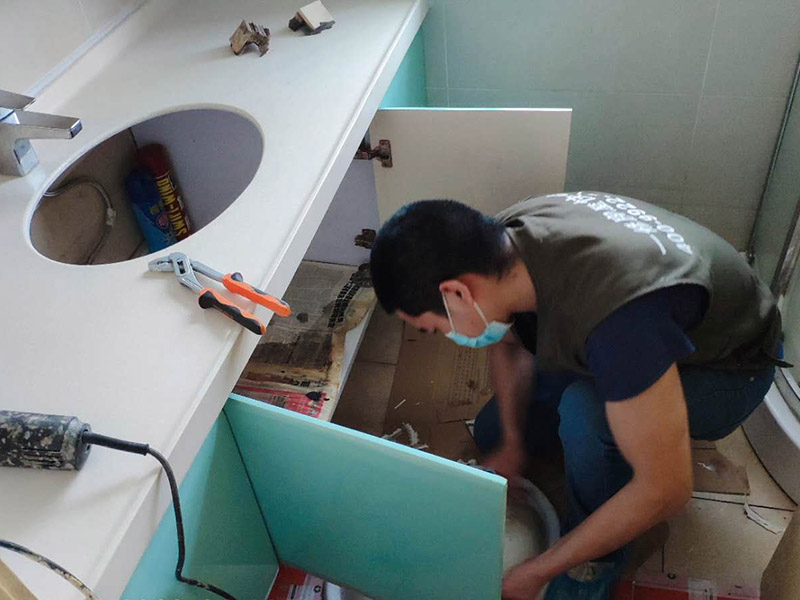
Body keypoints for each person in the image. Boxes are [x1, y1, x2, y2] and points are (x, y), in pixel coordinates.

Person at [368, 192, 787, 600]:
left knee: (585, 415)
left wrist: (538, 570)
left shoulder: (619, 320)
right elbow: (508, 341)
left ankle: (595, 565)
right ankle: (592, 443)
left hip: (729, 370)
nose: (443, 336)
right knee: (494, 430)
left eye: (433, 327)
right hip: (648, 320)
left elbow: (666, 489)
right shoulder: (502, 246)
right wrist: (512, 443)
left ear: (458, 293)